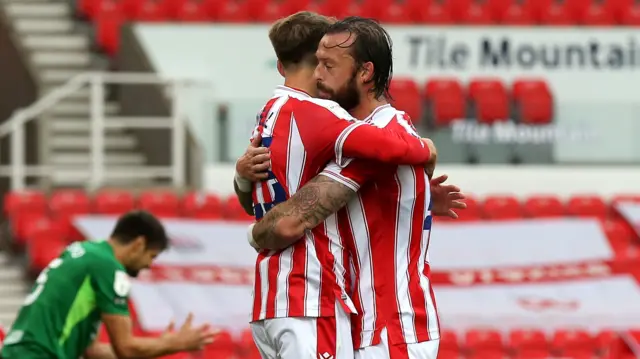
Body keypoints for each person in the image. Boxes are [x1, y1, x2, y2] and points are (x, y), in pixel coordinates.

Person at [244, 17, 467, 359]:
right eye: (316, 63)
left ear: (364, 73)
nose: (317, 75)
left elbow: (288, 223)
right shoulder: (371, 134)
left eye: (328, 65)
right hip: (370, 327)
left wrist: (255, 234)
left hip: (388, 332)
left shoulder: (372, 144)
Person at [1, 210, 216, 359]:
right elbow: (126, 348)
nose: (149, 265)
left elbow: (93, 351)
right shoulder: (108, 267)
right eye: (151, 256)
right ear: (138, 244)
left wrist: (159, 345)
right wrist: (177, 344)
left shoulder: (83, 252)